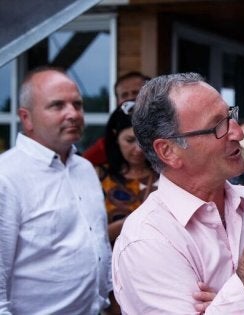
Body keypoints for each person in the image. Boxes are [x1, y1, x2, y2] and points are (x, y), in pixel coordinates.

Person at [112, 72, 244, 313]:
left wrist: (234, 306)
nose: (238, 133)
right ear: (168, 151)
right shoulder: (146, 240)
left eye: (231, 115)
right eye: (217, 126)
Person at [0, 67, 112, 314]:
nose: (73, 114)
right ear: (26, 117)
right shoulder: (6, 177)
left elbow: (98, 243)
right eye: (57, 106)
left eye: (78, 104)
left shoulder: (84, 168)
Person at [99, 105, 158, 244]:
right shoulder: (99, 176)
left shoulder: (167, 175)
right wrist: (133, 221)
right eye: (130, 140)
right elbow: (90, 236)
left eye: (143, 140)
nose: (138, 149)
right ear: (115, 137)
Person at [83, 71, 150, 166]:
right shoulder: (106, 145)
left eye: (136, 93)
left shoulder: (169, 131)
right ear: (117, 101)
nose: (130, 98)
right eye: (124, 95)